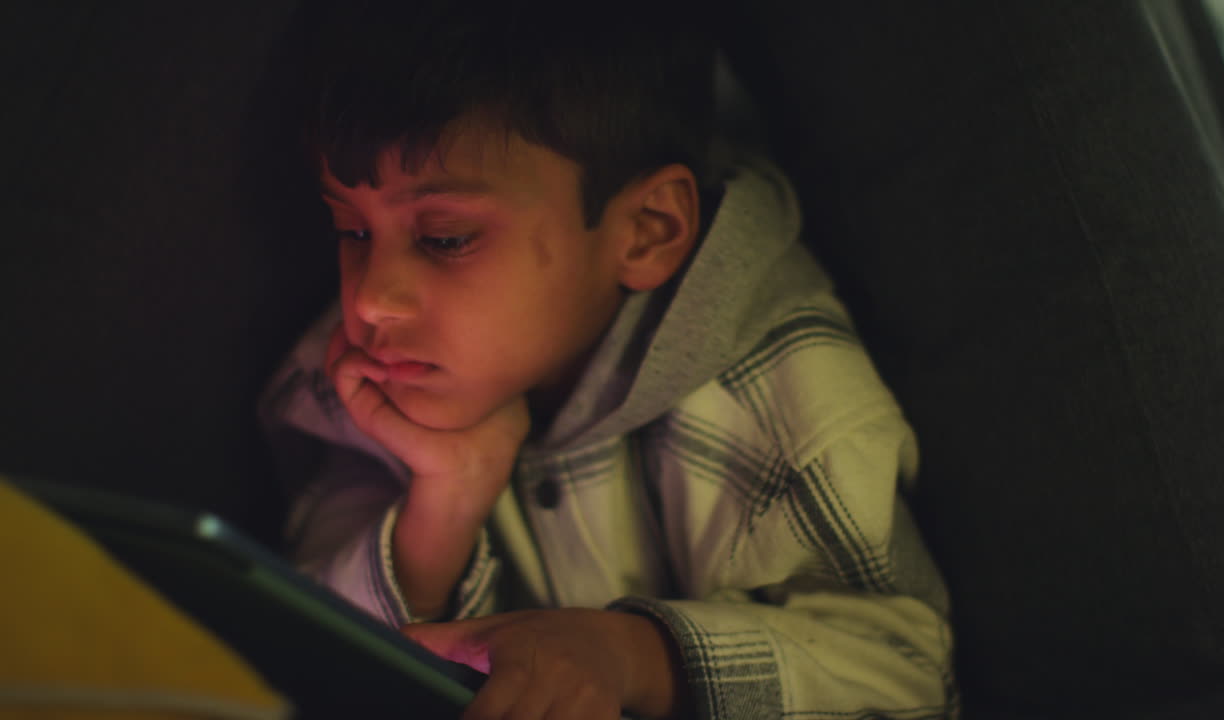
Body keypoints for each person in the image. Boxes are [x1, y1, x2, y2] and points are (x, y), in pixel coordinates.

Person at [259, 1, 956, 718]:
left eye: (444, 237)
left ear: (647, 232)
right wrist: (443, 505)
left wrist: (632, 657)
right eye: (351, 229)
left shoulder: (776, 397)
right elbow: (301, 666)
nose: (372, 300)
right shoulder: (364, 378)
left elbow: (907, 679)